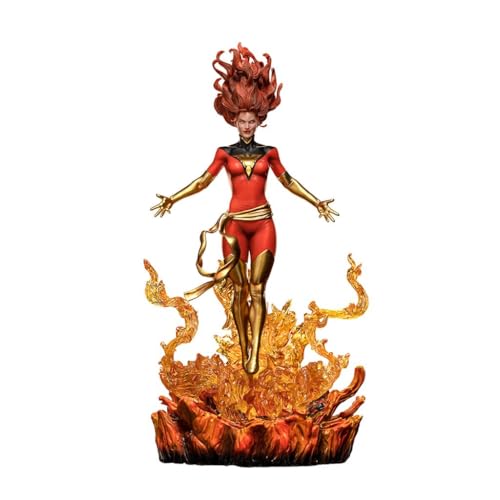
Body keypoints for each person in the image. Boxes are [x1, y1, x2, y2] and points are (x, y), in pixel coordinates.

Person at [151, 43, 338, 374]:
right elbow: (203, 181)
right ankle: (243, 347)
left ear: (258, 121)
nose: (247, 126)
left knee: (257, 288)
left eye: (252, 121)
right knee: (238, 290)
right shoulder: (224, 153)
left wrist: (315, 201)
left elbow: (287, 181)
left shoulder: (270, 153)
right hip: (234, 227)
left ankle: (254, 355)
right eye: (242, 121)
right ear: (234, 121)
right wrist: (174, 198)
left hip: (263, 224)